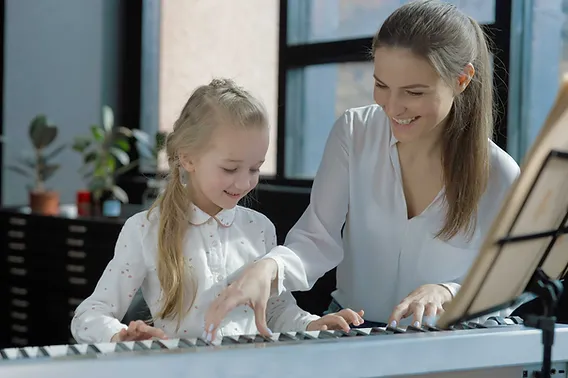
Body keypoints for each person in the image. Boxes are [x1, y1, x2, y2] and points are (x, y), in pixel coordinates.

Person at [203, 0, 521, 341]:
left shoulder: (500, 174)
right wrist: (270, 267)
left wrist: (447, 291)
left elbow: (507, 286)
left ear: (462, 79)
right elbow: (316, 238)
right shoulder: (354, 132)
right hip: (350, 333)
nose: (393, 107)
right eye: (381, 85)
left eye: (413, 92)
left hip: (445, 344)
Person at [70, 78, 364, 344]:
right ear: (187, 158)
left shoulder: (259, 228)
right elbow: (89, 315)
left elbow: (275, 310)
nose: (245, 182)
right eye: (230, 168)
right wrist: (120, 335)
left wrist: (312, 324)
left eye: (255, 168)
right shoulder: (144, 229)